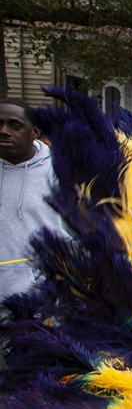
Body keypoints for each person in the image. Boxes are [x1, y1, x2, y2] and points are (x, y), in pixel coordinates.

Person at [0, 98, 72, 299]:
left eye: (15, 125)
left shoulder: (63, 175)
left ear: (35, 132)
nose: (4, 131)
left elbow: (85, 237)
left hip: (41, 305)